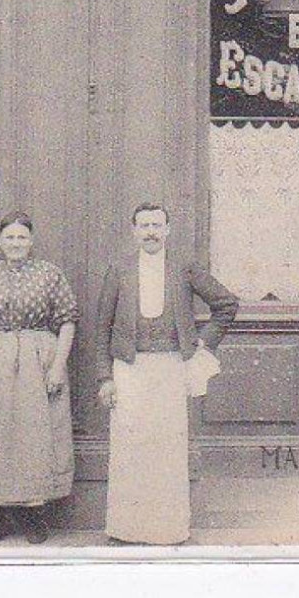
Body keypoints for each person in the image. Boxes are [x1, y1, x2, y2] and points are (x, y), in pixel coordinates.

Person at [95, 203, 239, 545]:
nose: (150, 232)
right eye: (144, 226)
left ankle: (167, 530)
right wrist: (105, 377)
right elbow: (102, 328)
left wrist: (202, 343)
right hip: (129, 368)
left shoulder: (183, 269)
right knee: (130, 447)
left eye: (157, 225)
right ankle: (126, 529)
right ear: (133, 231)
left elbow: (227, 304)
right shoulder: (119, 269)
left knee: (168, 449)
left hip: (171, 366)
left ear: (168, 230)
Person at [0, 211, 80, 544]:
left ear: (31, 241)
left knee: (34, 436)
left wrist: (58, 366)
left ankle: (33, 516)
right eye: (10, 237)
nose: (16, 243)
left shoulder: (50, 275)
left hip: (39, 360)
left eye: (22, 237)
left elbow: (67, 321)